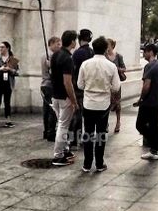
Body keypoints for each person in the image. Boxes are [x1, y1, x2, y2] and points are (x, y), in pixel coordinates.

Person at [77, 36, 119, 173]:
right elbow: (116, 87)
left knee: (88, 134)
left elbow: (79, 84)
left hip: (88, 103)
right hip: (103, 104)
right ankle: (99, 164)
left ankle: (87, 164)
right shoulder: (111, 66)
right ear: (106, 49)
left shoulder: (85, 64)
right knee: (101, 134)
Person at [50, 30, 79, 166]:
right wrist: (73, 100)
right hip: (64, 97)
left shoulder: (55, 55)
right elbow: (67, 82)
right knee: (63, 125)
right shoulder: (67, 58)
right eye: (75, 40)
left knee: (61, 125)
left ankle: (64, 149)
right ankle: (58, 156)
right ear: (72, 41)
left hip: (55, 95)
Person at [138, 42, 158, 160]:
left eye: (145, 51)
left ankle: (155, 146)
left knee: (140, 125)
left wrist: (141, 98)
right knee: (153, 125)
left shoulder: (149, 66)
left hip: (148, 101)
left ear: (150, 52)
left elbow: (146, 85)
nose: (144, 54)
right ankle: (156, 146)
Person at [0, 41, 19, 127]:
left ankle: (8, 121)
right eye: (0, 47)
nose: (0, 49)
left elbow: (17, 72)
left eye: (2, 47)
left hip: (8, 82)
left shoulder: (12, 59)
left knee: (7, 102)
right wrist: (0, 69)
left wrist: (10, 70)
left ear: (7, 48)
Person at [41, 36, 61, 140]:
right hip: (50, 85)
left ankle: (46, 131)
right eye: (57, 44)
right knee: (52, 110)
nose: (59, 46)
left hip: (44, 85)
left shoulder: (45, 55)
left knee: (46, 110)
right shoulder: (51, 56)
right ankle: (51, 133)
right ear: (51, 44)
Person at [106, 38, 127, 132]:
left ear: (112, 46)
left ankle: (118, 122)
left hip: (116, 82)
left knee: (117, 104)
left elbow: (124, 68)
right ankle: (105, 123)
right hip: (106, 83)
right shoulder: (104, 56)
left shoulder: (118, 56)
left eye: (108, 45)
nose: (107, 47)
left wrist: (116, 68)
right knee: (106, 104)